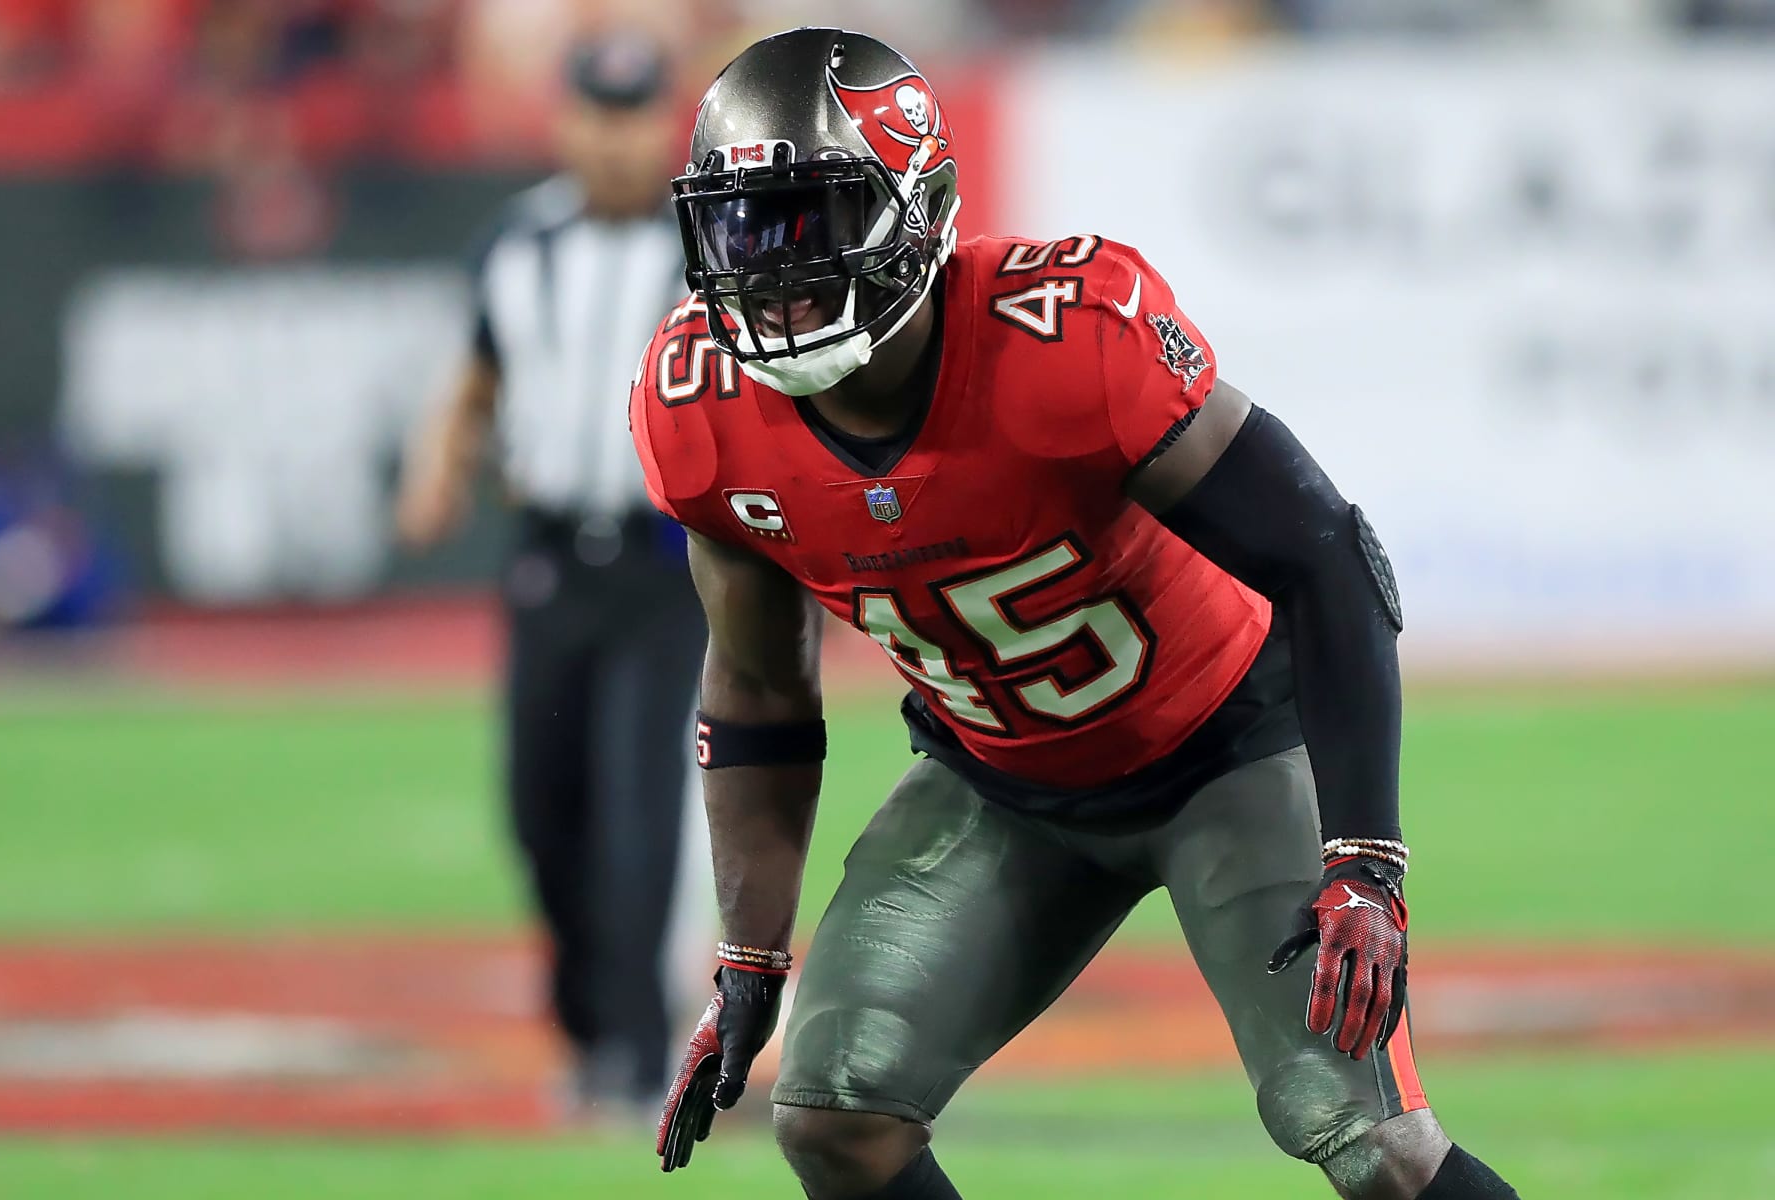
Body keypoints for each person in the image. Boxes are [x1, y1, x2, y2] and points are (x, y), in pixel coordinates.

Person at [633, 28, 1522, 1200]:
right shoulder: (696, 403)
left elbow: (1329, 555)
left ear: (921, 208)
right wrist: (748, 960)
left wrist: (1364, 859)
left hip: (1225, 752)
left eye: (815, 223)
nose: (775, 271)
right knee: (834, 1111)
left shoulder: (1066, 335)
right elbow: (755, 690)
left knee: (1372, 1143)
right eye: (745, 228)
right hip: (1000, 784)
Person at [394, 30, 704, 1117]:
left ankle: (628, 1051)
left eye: (633, 114)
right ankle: (589, 1027)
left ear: (665, 121)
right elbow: (475, 373)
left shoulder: (709, 243)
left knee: (638, 808)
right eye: (597, 112)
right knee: (542, 809)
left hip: (669, 564)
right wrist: (439, 471)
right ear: (564, 118)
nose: (614, 138)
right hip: (549, 561)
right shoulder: (517, 242)